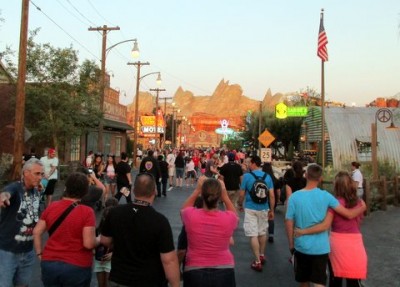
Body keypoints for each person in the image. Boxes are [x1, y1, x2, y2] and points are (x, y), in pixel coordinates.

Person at [285, 164, 366, 287]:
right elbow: (349, 215)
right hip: (325, 247)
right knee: (321, 282)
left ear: (306, 175)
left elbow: (289, 221)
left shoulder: (294, 197)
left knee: (306, 281)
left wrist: (293, 241)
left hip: (304, 245)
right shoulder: (328, 197)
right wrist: (363, 207)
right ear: (320, 178)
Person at [100, 173, 180, 287]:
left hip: (119, 278)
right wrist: (175, 284)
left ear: (133, 190)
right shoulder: (160, 221)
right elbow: (169, 260)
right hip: (149, 280)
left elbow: (104, 240)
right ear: (154, 191)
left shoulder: (115, 213)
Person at [33, 172, 98, 287]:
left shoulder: (52, 206)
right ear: (85, 191)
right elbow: (88, 243)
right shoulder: (87, 212)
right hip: (77, 264)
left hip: (50, 262)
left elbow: (37, 231)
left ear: (66, 188)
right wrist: (99, 239)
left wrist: (39, 253)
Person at [181, 177, 239, 287]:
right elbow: (235, 216)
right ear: (219, 197)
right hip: (224, 269)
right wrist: (225, 196)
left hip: (195, 269)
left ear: (202, 195)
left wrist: (197, 190)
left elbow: (183, 210)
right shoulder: (228, 218)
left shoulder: (191, 216)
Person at [0, 158, 44, 287]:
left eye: (41, 174)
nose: (40, 177)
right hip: (8, 252)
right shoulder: (15, 188)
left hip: (28, 251)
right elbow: (7, 193)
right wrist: (3, 197)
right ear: (26, 173)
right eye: (37, 174)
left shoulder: (36, 191)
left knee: (23, 285)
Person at [238, 155, 275, 272]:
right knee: (262, 232)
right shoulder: (267, 177)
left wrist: (240, 204)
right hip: (264, 208)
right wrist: (271, 210)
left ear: (254, 163)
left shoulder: (247, 177)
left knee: (253, 234)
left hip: (250, 207)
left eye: (249, 163)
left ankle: (257, 261)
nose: (248, 165)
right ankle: (262, 254)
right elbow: (272, 195)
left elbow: (242, 194)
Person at [94, 198, 119, 287]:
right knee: (101, 284)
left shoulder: (119, 229)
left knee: (108, 284)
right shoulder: (98, 230)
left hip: (110, 261)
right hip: (99, 260)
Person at [262, 162, 282, 243]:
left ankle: (262, 233)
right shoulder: (275, 179)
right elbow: (278, 191)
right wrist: (279, 198)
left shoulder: (262, 179)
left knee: (263, 216)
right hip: (273, 200)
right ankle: (271, 234)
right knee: (271, 216)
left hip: (263, 199)